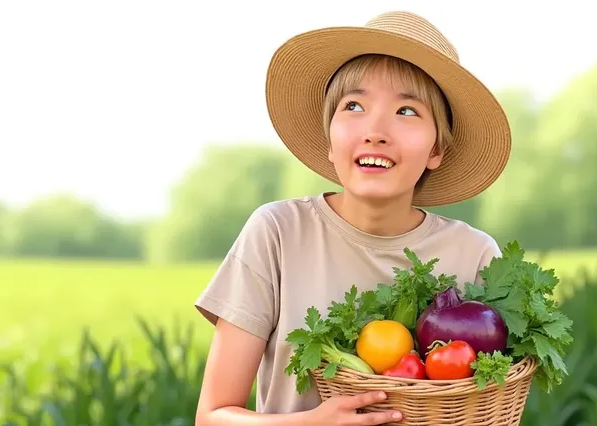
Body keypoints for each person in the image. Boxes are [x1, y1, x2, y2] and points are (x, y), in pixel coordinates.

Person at [193, 10, 512, 426]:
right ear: (329, 138)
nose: (375, 130)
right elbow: (212, 416)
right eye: (354, 105)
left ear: (437, 150)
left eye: (408, 111)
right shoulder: (278, 233)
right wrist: (312, 423)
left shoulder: (473, 255)